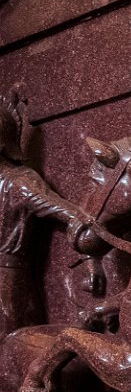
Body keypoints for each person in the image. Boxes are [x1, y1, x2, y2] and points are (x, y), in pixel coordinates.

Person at [0, 86, 97, 336]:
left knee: (12, 348)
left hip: (8, 285)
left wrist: (90, 259)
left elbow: (75, 217)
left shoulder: (20, 183)